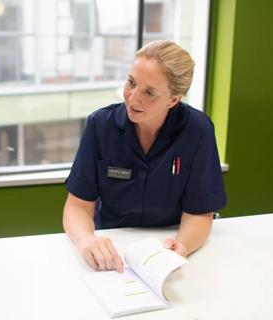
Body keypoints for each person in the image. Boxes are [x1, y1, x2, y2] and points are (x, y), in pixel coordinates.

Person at [63, 40, 226, 273]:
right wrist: (86, 240)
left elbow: (200, 212)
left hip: (168, 244)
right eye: (131, 82)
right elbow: (78, 206)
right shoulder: (100, 126)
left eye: (149, 92)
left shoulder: (198, 131)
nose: (132, 98)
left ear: (174, 99)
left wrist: (182, 247)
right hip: (111, 247)